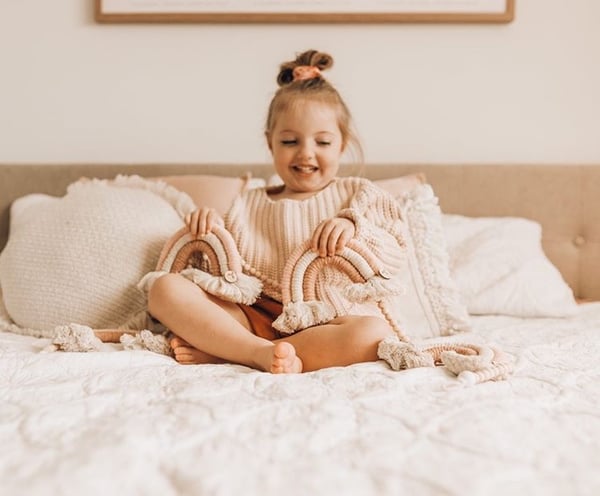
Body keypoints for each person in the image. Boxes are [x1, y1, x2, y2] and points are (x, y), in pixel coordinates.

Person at [147, 49, 406, 374]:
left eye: (323, 143)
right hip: (252, 320)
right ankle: (255, 351)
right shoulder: (246, 203)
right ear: (270, 143)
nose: (306, 153)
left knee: (373, 334)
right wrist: (208, 229)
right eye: (289, 142)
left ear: (343, 144)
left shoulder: (359, 196)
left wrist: (354, 228)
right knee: (164, 288)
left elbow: (395, 251)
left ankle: (230, 352)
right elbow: (222, 271)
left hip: (325, 321)